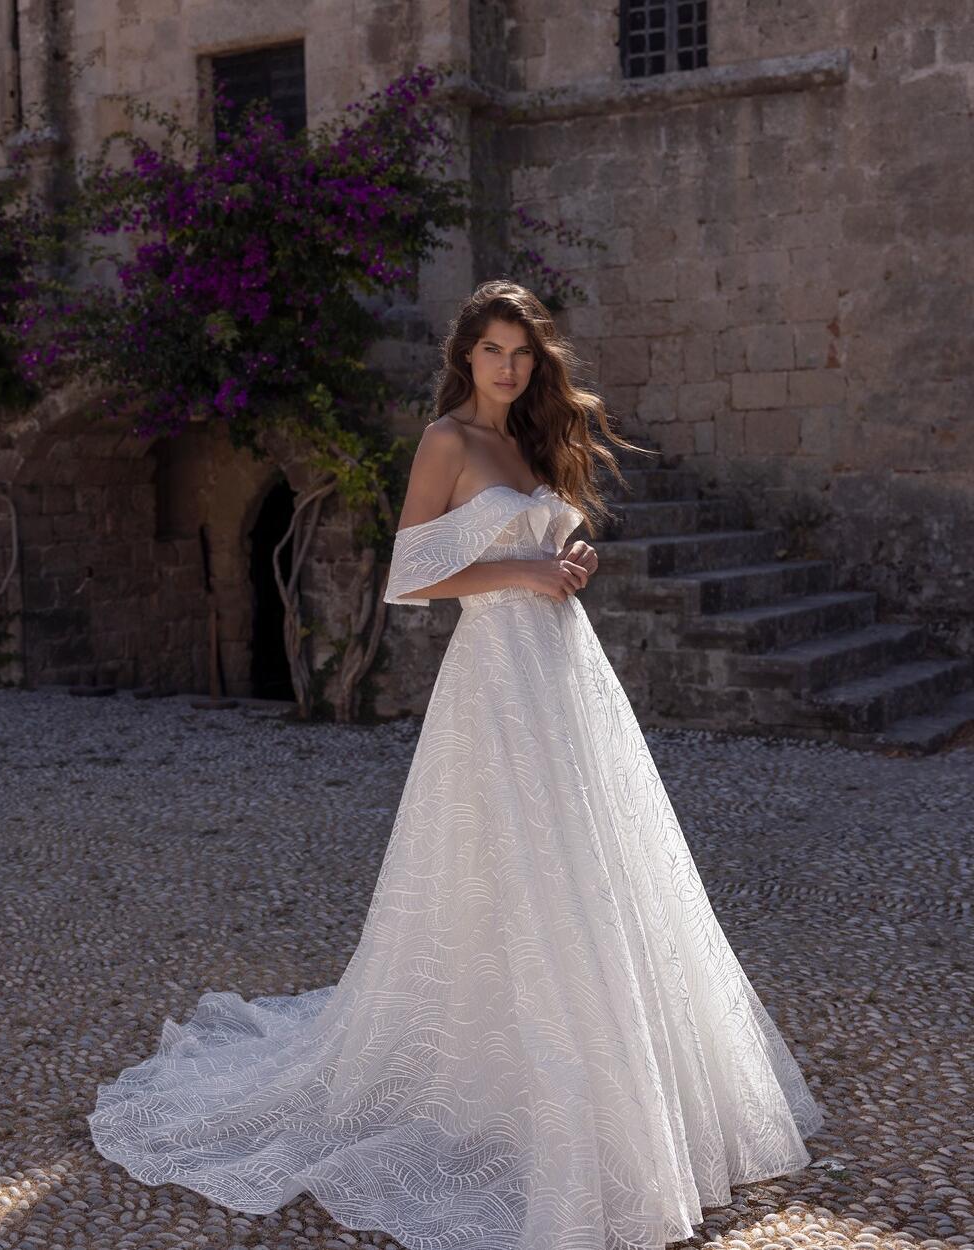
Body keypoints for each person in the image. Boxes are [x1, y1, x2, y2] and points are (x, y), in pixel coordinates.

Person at [88, 280, 824, 1250]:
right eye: (492, 352)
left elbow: (545, 542)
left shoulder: (534, 440)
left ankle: (617, 1077)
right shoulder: (447, 440)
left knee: (591, 860)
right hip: (495, 678)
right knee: (503, 860)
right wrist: (524, 569)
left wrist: (569, 562)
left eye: (522, 353)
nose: (508, 368)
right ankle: (508, 1081)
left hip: (565, 673)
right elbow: (408, 575)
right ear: (465, 357)